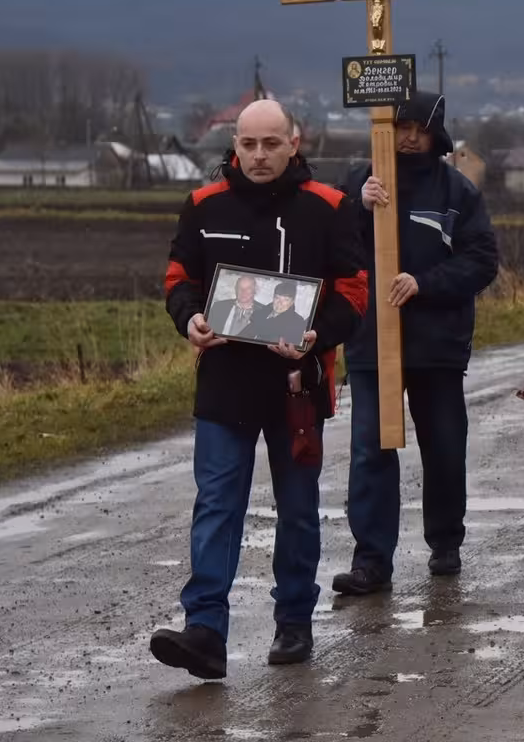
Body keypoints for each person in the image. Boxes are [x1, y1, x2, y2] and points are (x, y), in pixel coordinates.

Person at [149, 100, 367, 677]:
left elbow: (354, 291)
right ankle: (204, 632)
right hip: (225, 382)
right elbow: (178, 278)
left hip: (298, 384)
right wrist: (190, 318)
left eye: (271, 143)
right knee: (217, 505)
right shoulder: (203, 205)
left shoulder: (330, 207)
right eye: (249, 144)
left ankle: (294, 621)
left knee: (297, 509)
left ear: (294, 143)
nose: (259, 155)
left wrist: (319, 336)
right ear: (235, 145)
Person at [332, 92, 500, 596]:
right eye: (399, 127)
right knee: (370, 451)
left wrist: (424, 283)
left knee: (444, 448)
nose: (408, 138)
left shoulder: (457, 192)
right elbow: (330, 246)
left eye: (418, 130)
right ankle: (371, 561)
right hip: (370, 342)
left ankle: (445, 542)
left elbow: (481, 260)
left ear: (435, 135)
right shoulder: (358, 184)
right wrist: (357, 209)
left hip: (437, 345)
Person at [206, 273, 261, 337]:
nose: (243, 291)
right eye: (240, 288)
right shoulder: (218, 307)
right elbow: (207, 333)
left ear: (254, 290)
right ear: (236, 289)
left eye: (248, 288)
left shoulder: (264, 312)